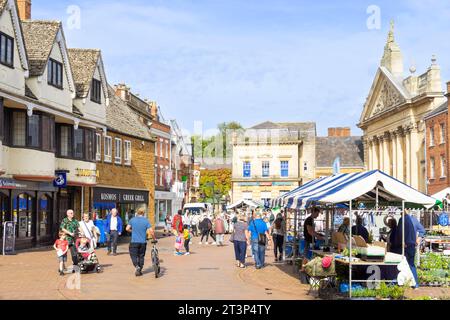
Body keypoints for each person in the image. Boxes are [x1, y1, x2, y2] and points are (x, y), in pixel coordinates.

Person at [126, 208, 155, 277]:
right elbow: (151, 231)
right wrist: (154, 238)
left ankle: (137, 266)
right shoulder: (146, 221)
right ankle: (140, 269)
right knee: (141, 256)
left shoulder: (132, 220)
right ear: (144, 213)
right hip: (143, 242)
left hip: (134, 242)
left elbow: (127, 228)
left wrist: (132, 231)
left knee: (133, 255)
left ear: (137, 212)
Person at [394, 212, 419, 288]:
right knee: (412, 265)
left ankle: (402, 283)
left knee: (402, 265)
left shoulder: (402, 220)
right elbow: (419, 231)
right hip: (412, 245)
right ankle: (415, 284)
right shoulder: (413, 220)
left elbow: (399, 232)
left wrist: (400, 242)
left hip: (405, 246)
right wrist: (417, 239)